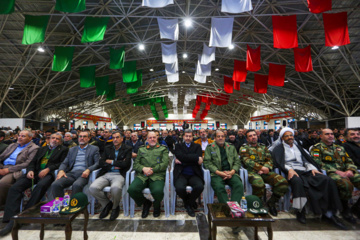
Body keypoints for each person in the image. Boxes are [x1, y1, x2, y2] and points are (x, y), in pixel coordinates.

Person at [271, 128, 346, 229]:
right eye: (287, 136)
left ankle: (329, 212)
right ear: (282, 138)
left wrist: (312, 168)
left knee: (327, 180)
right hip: (290, 171)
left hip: (305, 170)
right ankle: (300, 211)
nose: (290, 137)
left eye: (291, 135)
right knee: (297, 182)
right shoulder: (279, 149)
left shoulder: (298, 147)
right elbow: (280, 163)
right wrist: (289, 170)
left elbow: (306, 161)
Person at [0, 133, 68, 236]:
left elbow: (62, 163)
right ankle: (10, 218)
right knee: (15, 188)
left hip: (48, 174)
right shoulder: (42, 149)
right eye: (52, 138)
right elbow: (31, 162)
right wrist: (30, 170)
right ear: (49, 139)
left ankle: (25, 213)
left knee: (40, 186)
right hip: (35, 172)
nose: (54, 140)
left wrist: (48, 169)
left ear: (60, 141)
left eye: (57, 139)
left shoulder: (63, 150)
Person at [311, 128, 360, 223]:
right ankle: (344, 208)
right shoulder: (317, 148)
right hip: (331, 173)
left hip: (346, 171)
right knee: (345, 184)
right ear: (321, 136)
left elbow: (349, 161)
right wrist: (337, 171)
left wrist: (350, 169)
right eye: (327, 134)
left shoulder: (339, 148)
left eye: (332, 134)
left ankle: (357, 206)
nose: (330, 136)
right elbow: (318, 163)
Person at [240, 130, 288, 216]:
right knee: (259, 184)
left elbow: (269, 159)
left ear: (257, 136)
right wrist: (261, 168)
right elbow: (247, 161)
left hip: (265, 171)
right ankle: (257, 204)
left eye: (254, 135)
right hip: (251, 172)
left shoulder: (263, 147)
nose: (253, 137)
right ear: (247, 139)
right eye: (250, 136)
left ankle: (272, 203)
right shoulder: (244, 148)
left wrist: (266, 168)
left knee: (283, 182)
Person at [89, 131, 132, 221]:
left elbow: (126, 164)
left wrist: (111, 161)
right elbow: (101, 162)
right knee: (93, 188)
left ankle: (115, 207)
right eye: (113, 138)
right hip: (106, 173)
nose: (115, 140)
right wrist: (114, 164)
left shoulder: (127, 148)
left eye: (117, 137)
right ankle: (107, 204)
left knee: (115, 188)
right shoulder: (107, 148)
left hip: (119, 174)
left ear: (121, 139)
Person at [127, 132, 169, 218]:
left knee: (157, 191)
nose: (152, 139)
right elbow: (136, 164)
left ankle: (157, 207)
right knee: (132, 189)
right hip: (143, 175)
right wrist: (143, 169)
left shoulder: (163, 149)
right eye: (150, 138)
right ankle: (146, 203)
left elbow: (165, 164)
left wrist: (152, 170)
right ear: (147, 139)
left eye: (154, 137)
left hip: (157, 175)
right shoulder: (141, 149)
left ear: (157, 138)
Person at [49, 131, 100, 199]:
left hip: (84, 174)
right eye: (80, 136)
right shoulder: (72, 149)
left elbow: (97, 163)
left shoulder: (94, 149)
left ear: (89, 138)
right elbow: (65, 163)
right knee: (55, 184)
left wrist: (89, 169)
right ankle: (60, 206)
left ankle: (73, 207)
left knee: (77, 185)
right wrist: (61, 170)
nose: (82, 138)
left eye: (84, 136)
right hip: (71, 173)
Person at [0, 130, 39, 206]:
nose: (20, 137)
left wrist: (8, 170)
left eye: (23, 136)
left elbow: (27, 163)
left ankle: (2, 204)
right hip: (3, 166)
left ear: (30, 138)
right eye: (19, 135)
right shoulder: (13, 145)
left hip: (15, 169)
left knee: (2, 183)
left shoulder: (34, 148)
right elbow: (1, 157)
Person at [204, 130, 244, 204]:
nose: (220, 138)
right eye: (218, 136)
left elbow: (237, 162)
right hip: (216, 174)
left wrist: (232, 172)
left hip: (230, 172)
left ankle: (234, 206)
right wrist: (219, 173)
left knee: (238, 185)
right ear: (215, 138)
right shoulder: (210, 147)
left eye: (222, 136)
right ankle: (227, 207)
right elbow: (207, 162)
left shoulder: (231, 147)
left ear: (225, 138)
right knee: (219, 187)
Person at [173, 129, 204, 217]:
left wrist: (183, 160)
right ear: (183, 137)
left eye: (190, 136)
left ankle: (188, 203)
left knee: (199, 186)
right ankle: (190, 202)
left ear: (192, 137)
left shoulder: (197, 146)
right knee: (179, 187)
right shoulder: (178, 146)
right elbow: (180, 155)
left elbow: (183, 157)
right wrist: (194, 158)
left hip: (194, 173)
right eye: (186, 136)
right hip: (181, 173)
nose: (188, 138)